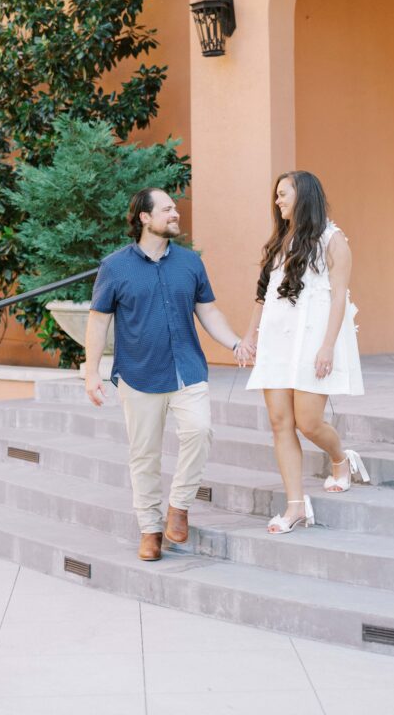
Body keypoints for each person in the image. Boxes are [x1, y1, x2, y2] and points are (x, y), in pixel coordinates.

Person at [84, 188, 244, 562]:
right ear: (144, 217)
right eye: (167, 209)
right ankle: (150, 530)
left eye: (175, 209)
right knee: (144, 456)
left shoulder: (190, 263)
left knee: (200, 430)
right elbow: (98, 321)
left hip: (187, 368)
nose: (175, 214)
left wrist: (235, 343)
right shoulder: (115, 266)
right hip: (139, 373)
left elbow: (209, 313)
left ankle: (179, 506)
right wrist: (91, 372)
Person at [236, 171, 367, 535]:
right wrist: (250, 337)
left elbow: (339, 296)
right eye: (276, 196)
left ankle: (341, 459)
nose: (277, 202)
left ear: (304, 194)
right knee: (280, 423)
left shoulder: (333, 240)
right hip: (278, 341)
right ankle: (295, 506)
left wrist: (327, 346)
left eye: (283, 194)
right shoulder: (279, 241)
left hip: (312, 340)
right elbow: (263, 296)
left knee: (308, 422)